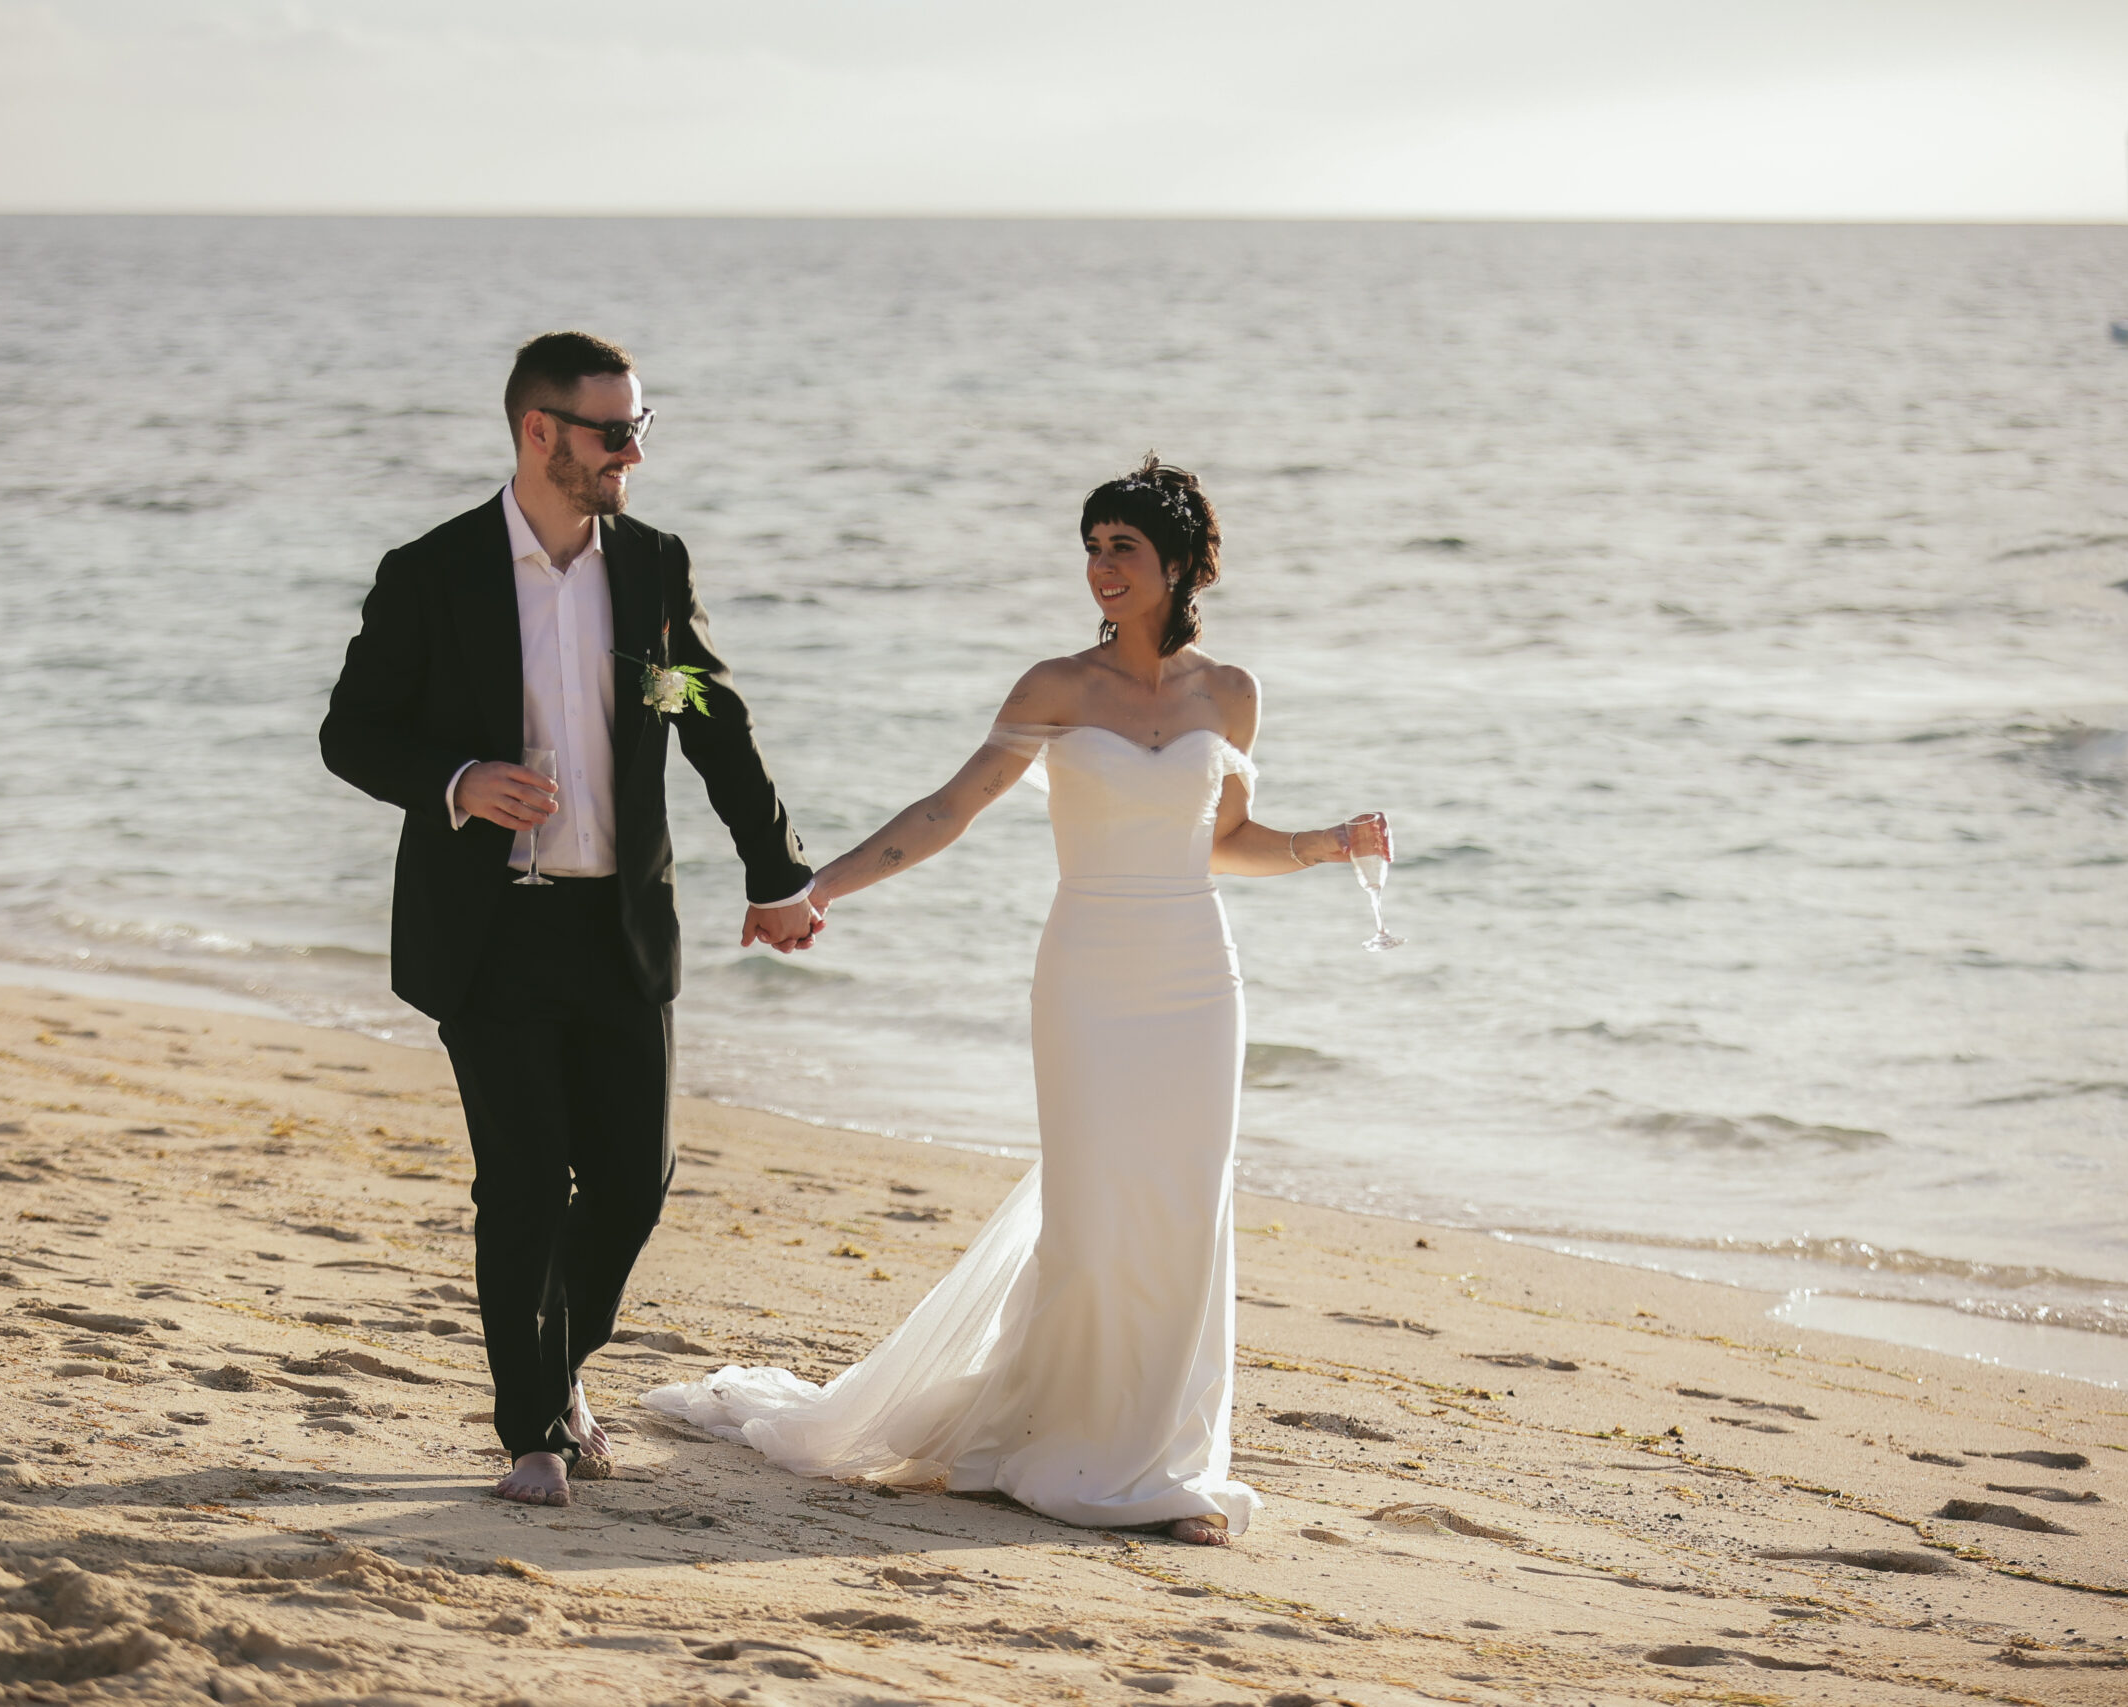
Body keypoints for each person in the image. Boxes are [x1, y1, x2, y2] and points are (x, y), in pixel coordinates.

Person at [647, 455, 1390, 1546]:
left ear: (1180, 563)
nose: (1100, 569)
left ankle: (1164, 1462)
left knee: (1184, 1216)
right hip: (1087, 973)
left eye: (1122, 548)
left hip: (1197, 978)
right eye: (1090, 547)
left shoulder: (1231, 692)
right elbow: (947, 811)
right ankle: (1072, 1448)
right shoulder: (1054, 686)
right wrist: (812, 887)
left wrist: (1328, 846)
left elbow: (1226, 845)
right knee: (1093, 1219)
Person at [320, 331, 824, 1509]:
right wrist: (456, 781)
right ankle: (533, 1432)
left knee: (634, 1182)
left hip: (618, 929)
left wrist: (774, 871)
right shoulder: (432, 572)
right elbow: (353, 732)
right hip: (488, 932)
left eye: (641, 425)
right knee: (524, 1184)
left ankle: (560, 1369)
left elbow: (709, 717)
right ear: (539, 432)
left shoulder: (648, 569)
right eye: (613, 431)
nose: (632, 452)